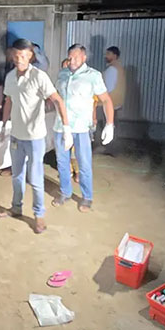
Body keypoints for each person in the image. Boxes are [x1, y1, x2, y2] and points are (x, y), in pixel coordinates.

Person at [0, 38, 71, 234]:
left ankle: (39, 215)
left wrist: (66, 127)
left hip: (35, 138)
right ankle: (16, 208)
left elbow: (58, 100)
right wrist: (4, 125)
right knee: (17, 176)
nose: (19, 59)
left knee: (36, 179)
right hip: (16, 136)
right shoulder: (10, 77)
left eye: (23, 55)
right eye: (16, 55)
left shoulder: (39, 76)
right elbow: (9, 101)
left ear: (30, 56)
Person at [51, 44, 116, 212]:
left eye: (76, 58)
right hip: (61, 126)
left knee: (84, 163)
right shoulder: (63, 74)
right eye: (70, 57)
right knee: (62, 162)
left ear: (84, 58)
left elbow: (106, 100)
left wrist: (110, 124)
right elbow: (56, 98)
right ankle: (65, 192)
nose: (72, 61)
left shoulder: (93, 76)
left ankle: (87, 197)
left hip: (81, 128)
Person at [104, 46, 127, 114]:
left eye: (108, 54)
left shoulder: (112, 69)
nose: (106, 56)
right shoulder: (119, 67)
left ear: (114, 56)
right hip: (116, 101)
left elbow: (108, 87)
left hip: (110, 101)